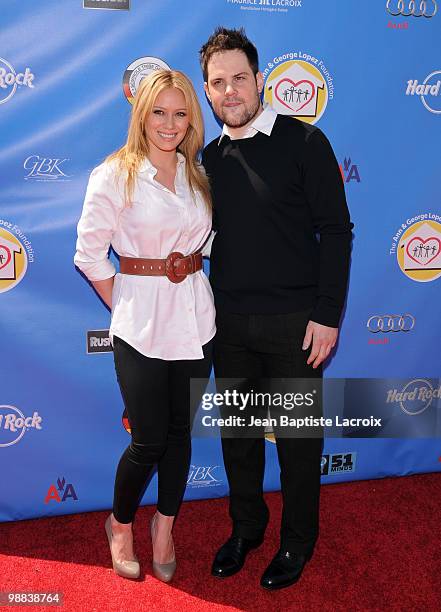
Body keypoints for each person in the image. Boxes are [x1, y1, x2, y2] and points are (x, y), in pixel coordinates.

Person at [199, 27, 353, 590]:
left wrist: (328, 314)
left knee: (296, 444)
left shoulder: (305, 143)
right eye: (218, 82)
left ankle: (296, 541)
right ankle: (247, 530)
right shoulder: (206, 157)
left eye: (240, 78)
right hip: (228, 326)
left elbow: (336, 231)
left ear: (260, 80)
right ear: (209, 91)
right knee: (238, 440)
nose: (230, 91)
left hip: (296, 326)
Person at [74, 69, 215, 582]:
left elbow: (207, 242)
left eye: (180, 114)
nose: (170, 123)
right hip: (139, 326)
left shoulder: (198, 173)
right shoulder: (114, 175)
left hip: (198, 322)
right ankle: (120, 523)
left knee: (181, 435)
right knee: (149, 439)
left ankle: (165, 527)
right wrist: (126, 304)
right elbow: (89, 255)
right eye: (159, 112)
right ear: (141, 114)